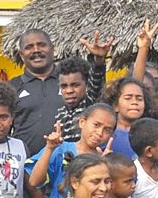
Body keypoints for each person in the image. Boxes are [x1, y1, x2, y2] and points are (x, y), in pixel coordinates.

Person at [10, 26, 110, 155]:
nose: (36, 50)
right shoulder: (12, 87)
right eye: (29, 47)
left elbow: (96, 87)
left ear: (52, 48)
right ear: (21, 54)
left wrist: (99, 60)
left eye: (41, 45)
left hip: (69, 161)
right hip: (26, 162)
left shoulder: (70, 79)